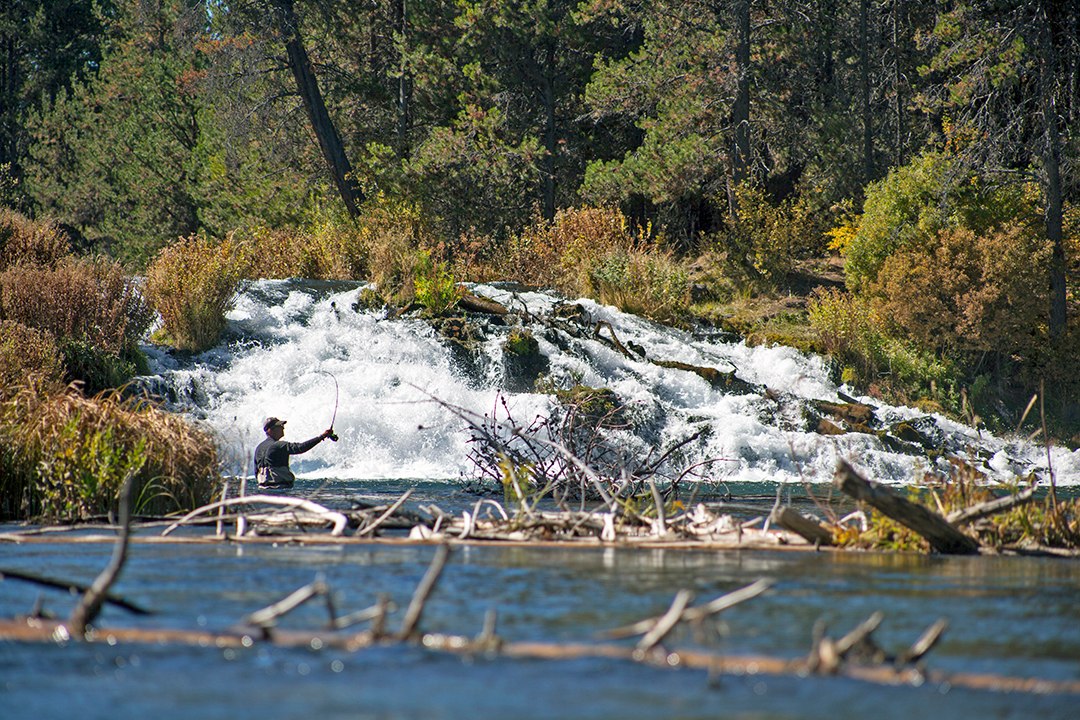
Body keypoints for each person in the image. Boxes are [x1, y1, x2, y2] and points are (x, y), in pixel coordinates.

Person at [253, 416, 335, 491]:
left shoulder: (258, 448)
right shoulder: (279, 445)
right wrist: (322, 437)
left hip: (263, 489)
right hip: (280, 490)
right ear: (270, 430)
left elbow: (256, 472)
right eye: (280, 426)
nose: (283, 428)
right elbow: (300, 448)